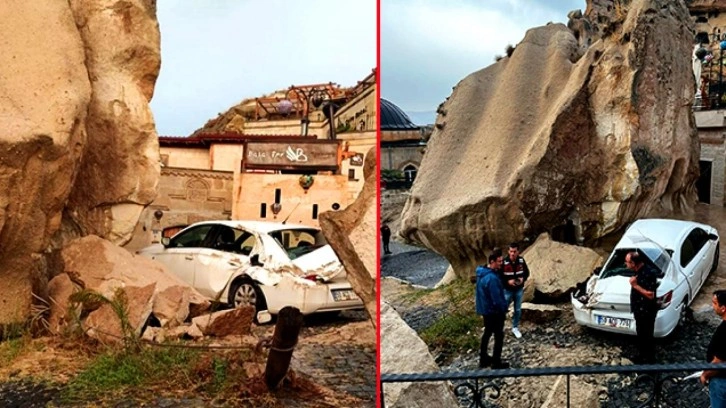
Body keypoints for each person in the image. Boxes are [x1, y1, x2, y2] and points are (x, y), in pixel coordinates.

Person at [475, 253, 509, 369]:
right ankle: (496, 361)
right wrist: (503, 309)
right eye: (499, 261)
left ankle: (483, 358)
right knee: (499, 335)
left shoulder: (481, 273)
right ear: (492, 261)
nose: (501, 263)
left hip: (485, 310)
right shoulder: (492, 278)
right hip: (494, 312)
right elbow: (497, 298)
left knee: (487, 333)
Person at [626, 251, 659, 363]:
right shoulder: (637, 272)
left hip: (647, 311)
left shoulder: (649, 273)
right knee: (641, 334)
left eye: (627, 262)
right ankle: (642, 355)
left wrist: (635, 286)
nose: (626, 264)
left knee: (647, 335)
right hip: (639, 310)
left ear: (633, 263)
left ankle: (650, 360)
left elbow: (650, 295)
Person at [701, 289, 726, 408]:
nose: (712, 306)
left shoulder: (724, 331)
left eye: (714, 303)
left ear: (723, 308)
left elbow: (719, 361)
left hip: (721, 379)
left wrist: (705, 375)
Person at [499, 242, 530, 339]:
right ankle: (499, 328)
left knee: (517, 309)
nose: (512, 254)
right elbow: (500, 276)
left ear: (518, 252)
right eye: (511, 251)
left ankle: (515, 327)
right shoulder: (504, 262)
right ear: (508, 251)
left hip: (518, 289)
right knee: (503, 309)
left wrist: (522, 279)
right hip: (507, 290)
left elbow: (527, 272)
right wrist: (508, 282)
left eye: (514, 251)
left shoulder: (521, 260)